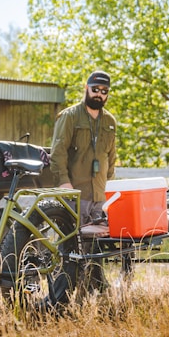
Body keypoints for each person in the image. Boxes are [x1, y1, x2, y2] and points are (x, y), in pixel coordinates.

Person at [50, 70, 117, 226]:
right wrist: (64, 183)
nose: (99, 94)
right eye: (95, 90)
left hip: (101, 196)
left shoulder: (110, 121)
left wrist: (110, 188)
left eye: (104, 91)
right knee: (72, 245)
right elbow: (58, 153)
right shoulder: (70, 116)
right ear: (86, 88)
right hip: (75, 194)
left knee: (98, 245)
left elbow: (112, 158)